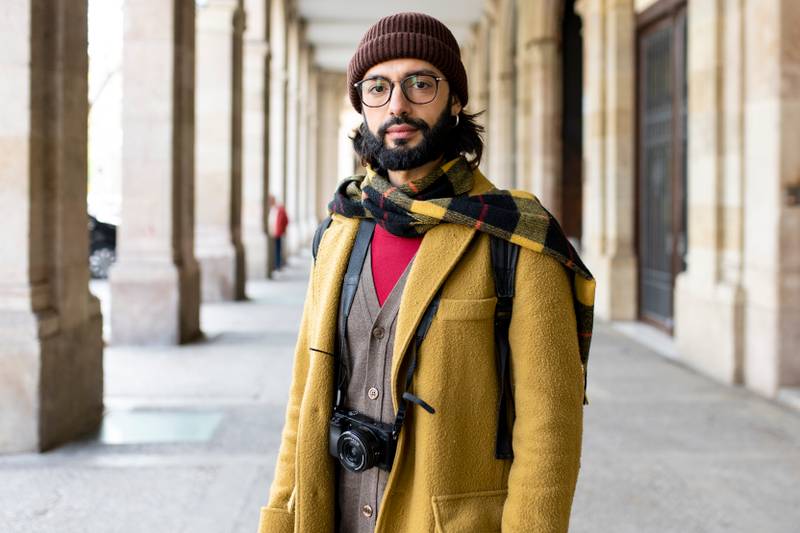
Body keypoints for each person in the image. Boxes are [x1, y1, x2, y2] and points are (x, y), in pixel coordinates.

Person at [258, 12, 595, 533]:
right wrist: (281, 518)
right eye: (379, 87)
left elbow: (550, 432)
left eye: (420, 83)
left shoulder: (516, 237)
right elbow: (304, 402)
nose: (398, 105)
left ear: (455, 100)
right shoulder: (340, 229)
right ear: (361, 107)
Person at [268, 195, 289, 271]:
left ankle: (278, 265)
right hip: (273, 232)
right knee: (276, 249)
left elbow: (285, 220)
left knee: (278, 249)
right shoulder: (272, 209)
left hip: (278, 232)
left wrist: (283, 229)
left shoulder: (279, 209)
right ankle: (276, 265)